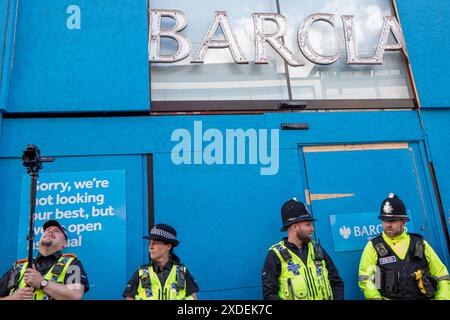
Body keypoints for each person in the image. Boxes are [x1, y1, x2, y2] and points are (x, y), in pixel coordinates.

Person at [358, 193, 450, 300]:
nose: (388, 225)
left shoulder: (420, 244)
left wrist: (442, 298)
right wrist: (375, 297)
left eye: (392, 221)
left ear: (404, 221)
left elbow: (442, 276)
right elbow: (365, 279)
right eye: (384, 220)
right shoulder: (373, 246)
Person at [262, 198, 344, 300]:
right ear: (295, 227)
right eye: (308, 225)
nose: (312, 229)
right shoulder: (275, 255)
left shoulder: (317, 250)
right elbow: (269, 295)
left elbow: (336, 283)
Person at [0, 219, 89, 300]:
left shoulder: (72, 264)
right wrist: (13, 298)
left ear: (64, 243)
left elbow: (75, 295)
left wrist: (41, 282)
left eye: (56, 231)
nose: (50, 231)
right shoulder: (19, 267)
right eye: (47, 230)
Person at [123, 223, 199, 300]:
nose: (150, 247)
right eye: (149, 243)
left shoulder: (182, 272)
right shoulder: (141, 273)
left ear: (168, 246)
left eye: (155, 243)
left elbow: (193, 298)